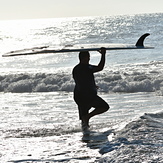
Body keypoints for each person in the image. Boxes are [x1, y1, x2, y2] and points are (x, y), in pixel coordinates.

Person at [72, 47, 110, 131]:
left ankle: (86, 138)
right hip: (88, 96)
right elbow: (100, 67)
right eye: (88, 58)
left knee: (84, 121)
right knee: (104, 107)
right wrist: (103, 55)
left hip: (78, 96)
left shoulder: (75, 69)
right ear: (85, 58)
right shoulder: (87, 67)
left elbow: (81, 80)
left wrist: (93, 85)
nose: (89, 59)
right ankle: (87, 117)